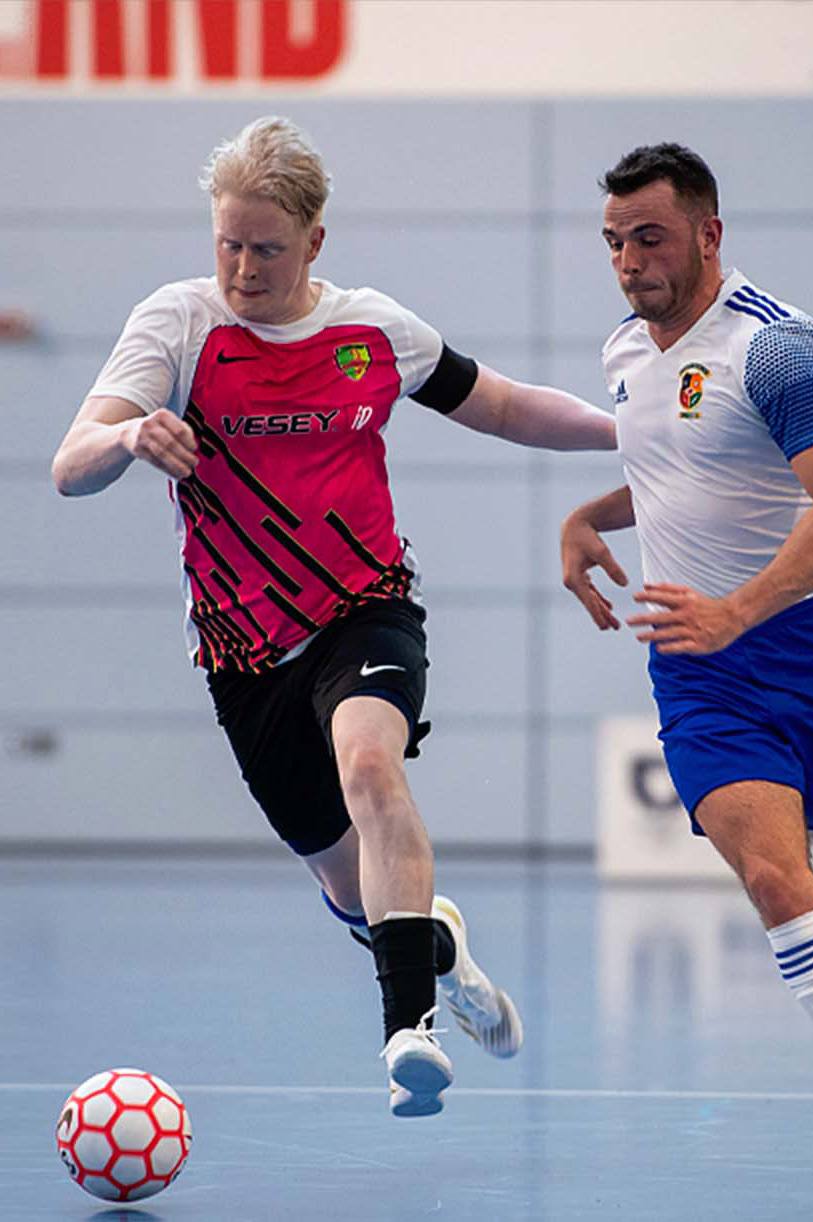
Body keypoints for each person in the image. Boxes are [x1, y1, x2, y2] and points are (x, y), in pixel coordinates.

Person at [51, 116, 617, 1118]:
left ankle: (408, 1027)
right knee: (355, 890)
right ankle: (433, 947)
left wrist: (636, 438)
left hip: (364, 609)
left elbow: (505, 404)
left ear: (314, 242)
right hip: (243, 651)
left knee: (370, 765)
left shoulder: (372, 332)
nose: (241, 266)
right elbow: (70, 465)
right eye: (227, 241)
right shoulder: (180, 326)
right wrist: (133, 432)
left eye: (265, 247)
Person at [560, 142, 813, 1199]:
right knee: (774, 879)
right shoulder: (623, 348)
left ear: (709, 232)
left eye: (648, 237)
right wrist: (585, 513)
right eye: (613, 241)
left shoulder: (782, 350)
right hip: (700, 672)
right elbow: (669, 465)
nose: (627, 261)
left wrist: (740, 609)